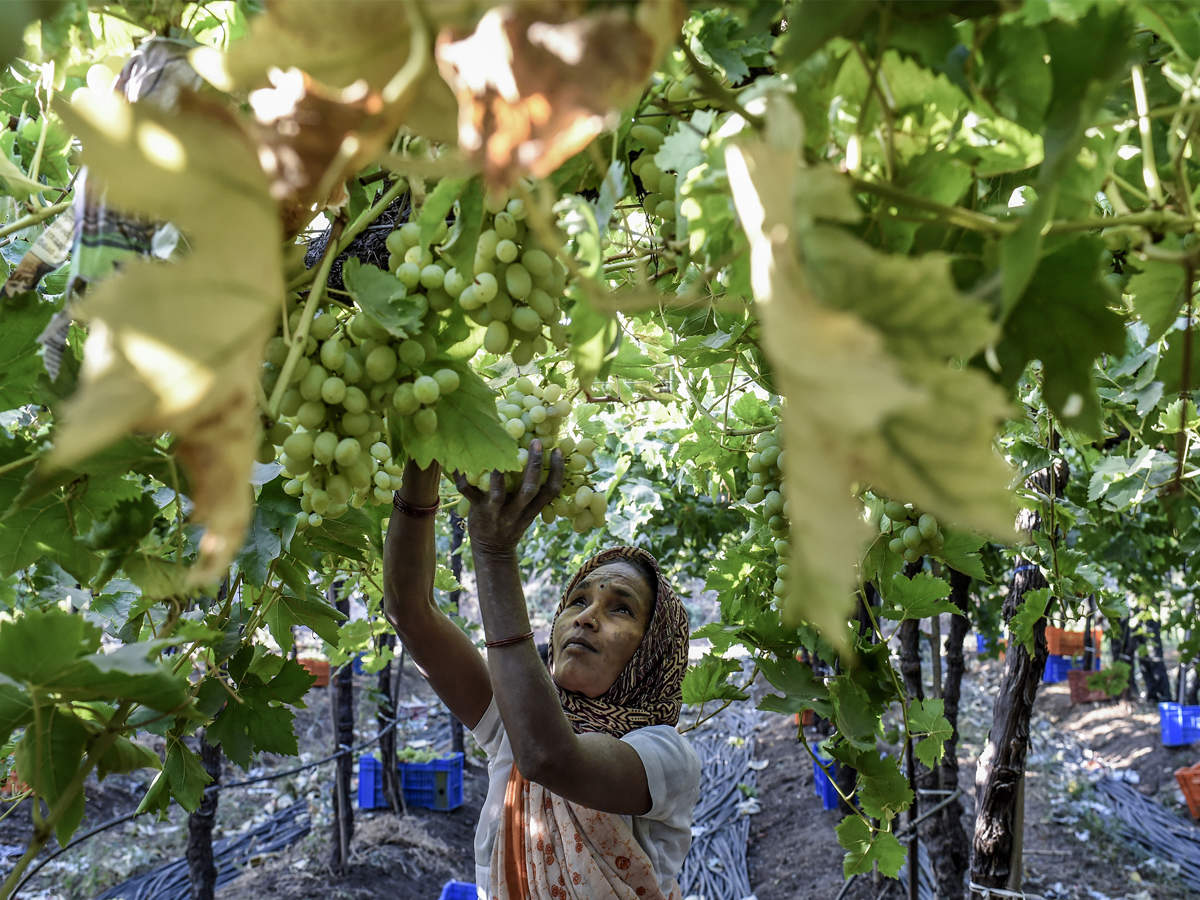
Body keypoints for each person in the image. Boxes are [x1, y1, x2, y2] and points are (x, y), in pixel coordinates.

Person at [383, 440, 700, 900]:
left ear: (653, 653)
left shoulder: (666, 757)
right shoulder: (511, 722)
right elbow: (409, 612)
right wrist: (423, 452)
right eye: (578, 601)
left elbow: (549, 756)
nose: (587, 617)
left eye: (621, 610)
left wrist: (494, 555)